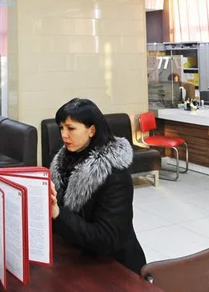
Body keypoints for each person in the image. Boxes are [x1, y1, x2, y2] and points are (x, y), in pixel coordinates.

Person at [48, 98, 147, 274]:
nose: (64, 135)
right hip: (76, 256)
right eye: (61, 128)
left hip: (115, 266)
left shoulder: (114, 174)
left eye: (71, 128)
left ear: (92, 130)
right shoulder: (64, 161)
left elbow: (106, 238)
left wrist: (57, 213)